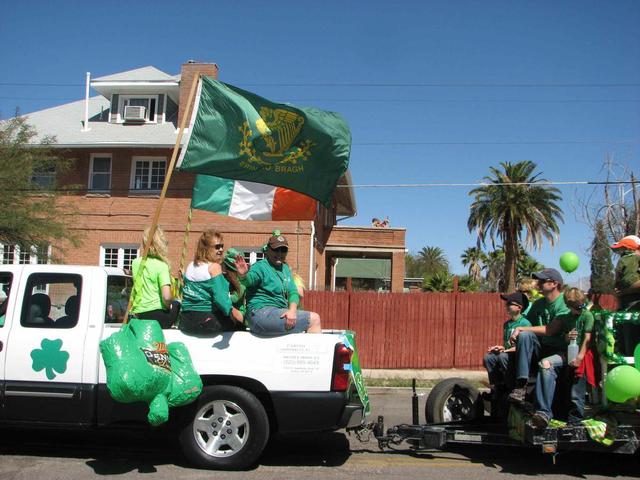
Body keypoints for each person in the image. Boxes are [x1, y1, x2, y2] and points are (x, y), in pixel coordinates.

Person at [512, 288, 594, 427]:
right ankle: (543, 412)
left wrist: (580, 357)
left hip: (582, 354)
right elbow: (553, 332)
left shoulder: (587, 316)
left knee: (576, 393)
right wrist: (566, 337)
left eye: (579, 306)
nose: (577, 310)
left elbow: (587, 339)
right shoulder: (565, 317)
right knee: (545, 364)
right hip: (567, 352)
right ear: (568, 306)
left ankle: (575, 421)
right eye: (574, 307)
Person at [236, 232, 321, 335]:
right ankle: (312, 352)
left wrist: (292, 311)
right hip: (260, 314)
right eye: (276, 249)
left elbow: (293, 292)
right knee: (314, 319)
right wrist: (243, 275)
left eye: (283, 250)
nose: (280, 253)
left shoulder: (285, 269)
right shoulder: (260, 267)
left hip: (278, 313)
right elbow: (249, 281)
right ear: (268, 250)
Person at [508, 268, 570, 403]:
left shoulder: (563, 302)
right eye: (538, 281)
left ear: (554, 284)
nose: (538, 284)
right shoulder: (538, 304)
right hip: (542, 347)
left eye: (542, 281)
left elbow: (551, 330)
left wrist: (520, 328)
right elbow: (527, 325)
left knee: (524, 333)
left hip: (559, 351)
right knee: (524, 336)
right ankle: (521, 385)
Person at [180, 230, 243, 334]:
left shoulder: (190, 265)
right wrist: (238, 316)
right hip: (206, 321)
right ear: (206, 248)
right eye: (217, 247)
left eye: (222, 246)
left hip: (185, 322)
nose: (221, 249)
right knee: (240, 324)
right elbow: (221, 300)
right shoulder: (214, 267)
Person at [130, 226, 179, 329]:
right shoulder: (161, 265)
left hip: (139, 314)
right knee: (177, 303)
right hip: (157, 317)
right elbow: (166, 297)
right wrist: (169, 305)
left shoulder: (135, 263)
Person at [483, 292, 531, 390]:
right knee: (488, 357)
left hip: (519, 357)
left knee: (502, 357)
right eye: (506, 303)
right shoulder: (507, 324)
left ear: (519, 307)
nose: (507, 306)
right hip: (508, 353)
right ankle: (497, 386)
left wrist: (505, 351)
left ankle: (512, 386)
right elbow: (507, 345)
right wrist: (501, 347)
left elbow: (524, 347)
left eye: (510, 304)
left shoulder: (525, 324)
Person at [611, 234, 640, 355]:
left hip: (635, 307)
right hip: (624, 307)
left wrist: (624, 291)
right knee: (626, 346)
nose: (623, 255)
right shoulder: (624, 262)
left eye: (624, 250)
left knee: (633, 346)